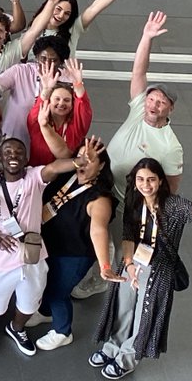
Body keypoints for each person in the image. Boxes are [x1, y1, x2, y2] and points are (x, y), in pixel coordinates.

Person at [74, 11, 183, 301]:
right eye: (152, 97)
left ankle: (100, 279)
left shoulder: (171, 146)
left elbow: (171, 186)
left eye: (161, 102)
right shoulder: (138, 109)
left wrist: (153, 212)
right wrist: (146, 37)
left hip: (128, 202)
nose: (153, 104)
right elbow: (139, 73)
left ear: (170, 109)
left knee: (116, 241)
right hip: (103, 184)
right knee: (90, 229)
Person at [92, 158, 192, 379]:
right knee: (123, 305)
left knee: (143, 313)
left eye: (151, 179)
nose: (145, 185)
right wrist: (128, 265)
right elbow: (128, 235)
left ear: (160, 181)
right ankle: (113, 346)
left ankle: (128, 356)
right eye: (140, 179)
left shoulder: (173, 205)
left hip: (159, 267)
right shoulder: (134, 201)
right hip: (134, 261)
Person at [0, 138, 96, 359]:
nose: (13, 156)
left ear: (26, 159)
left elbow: (54, 167)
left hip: (33, 255)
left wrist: (80, 161)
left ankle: (16, 329)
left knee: (28, 304)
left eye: (19, 152)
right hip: (2, 256)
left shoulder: (33, 177)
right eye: (7, 152)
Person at [33, 137, 117, 351]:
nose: (84, 163)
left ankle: (63, 331)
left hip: (74, 254)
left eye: (91, 160)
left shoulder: (100, 199)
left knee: (57, 291)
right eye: (81, 157)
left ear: (102, 166)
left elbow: (98, 230)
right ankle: (45, 312)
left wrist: (105, 266)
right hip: (51, 244)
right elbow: (51, 169)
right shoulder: (67, 174)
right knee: (46, 282)